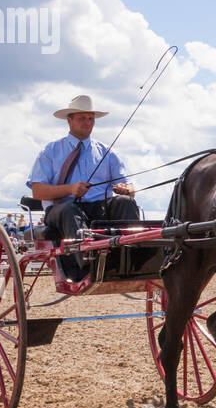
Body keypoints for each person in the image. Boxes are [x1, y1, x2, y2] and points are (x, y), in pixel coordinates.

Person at [27, 94, 139, 282]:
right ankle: (86, 266)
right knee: (70, 210)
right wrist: (70, 190)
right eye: (81, 118)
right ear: (69, 120)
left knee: (125, 202)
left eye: (90, 118)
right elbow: (37, 191)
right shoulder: (51, 151)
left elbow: (129, 185)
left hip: (98, 208)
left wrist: (126, 189)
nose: (87, 123)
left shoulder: (107, 153)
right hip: (60, 210)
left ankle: (133, 258)